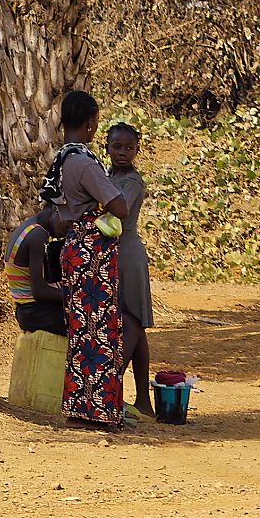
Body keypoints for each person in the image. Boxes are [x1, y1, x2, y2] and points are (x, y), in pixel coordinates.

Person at [40, 88, 129, 429]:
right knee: (100, 331)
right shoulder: (84, 162)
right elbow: (119, 206)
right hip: (93, 253)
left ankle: (80, 409)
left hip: (74, 247)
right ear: (90, 123)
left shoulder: (62, 159)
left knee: (81, 331)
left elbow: (57, 212)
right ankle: (98, 412)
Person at [106, 121, 154, 415]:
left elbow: (117, 209)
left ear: (137, 150)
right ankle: (144, 402)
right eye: (117, 147)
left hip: (128, 253)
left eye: (128, 148)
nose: (122, 152)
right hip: (114, 252)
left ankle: (110, 388)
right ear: (107, 147)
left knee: (133, 320)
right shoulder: (108, 175)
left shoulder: (132, 182)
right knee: (134, 326)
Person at [4, 206, 65, 335]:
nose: (68, 229)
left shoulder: (27, 228)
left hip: (26, 312)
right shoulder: (37, 234)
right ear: (57, 209)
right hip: (36, 312)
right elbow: (39, 292)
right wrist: (74, 296)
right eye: (69, 221)